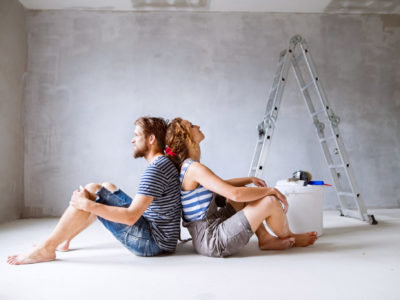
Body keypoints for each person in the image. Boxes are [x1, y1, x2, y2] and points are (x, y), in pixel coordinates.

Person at [7, 117, 181, 265]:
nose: (132, 140)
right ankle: (64, 239)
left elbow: (131, 217)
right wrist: (91, 205)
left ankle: (46, 248)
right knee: (105, 186)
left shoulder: (156, 169)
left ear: (151, 139)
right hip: (163, 238)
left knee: (91, 193)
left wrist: (88, 205)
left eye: (136, 135)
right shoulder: (163, 163)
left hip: (153, 243)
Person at [165, 118, 317, 257]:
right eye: (191, 126)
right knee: (269, 201)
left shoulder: (189, 168)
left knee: (247, 192)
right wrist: (270, 190)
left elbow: (222, 185)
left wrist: (249, 179)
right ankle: (291, 237)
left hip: (207, 231)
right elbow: (235, 194)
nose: (197, 125)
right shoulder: (194, 168)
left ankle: (264, 239)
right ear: (186, 138)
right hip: (212, 239)